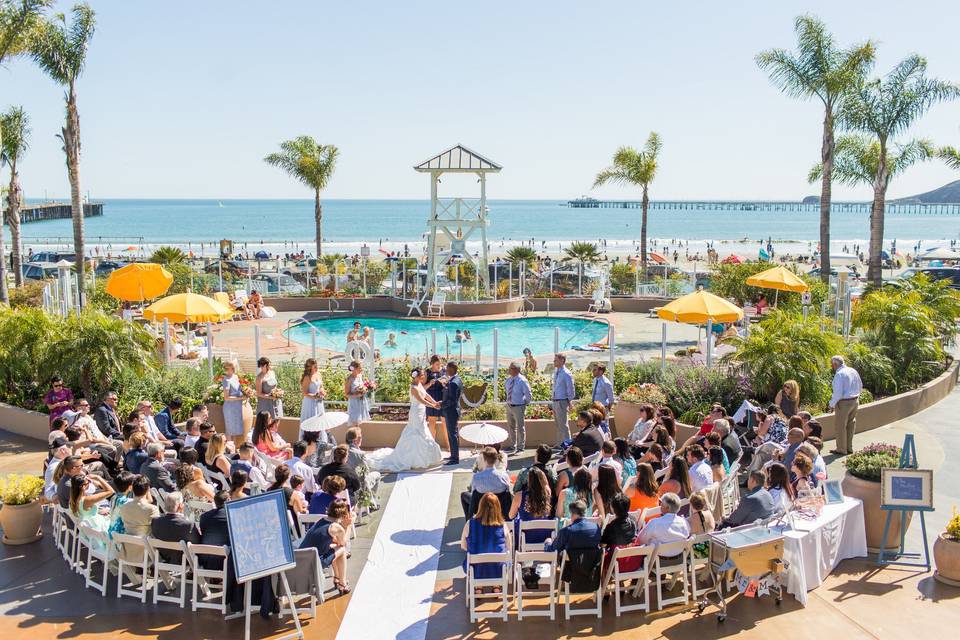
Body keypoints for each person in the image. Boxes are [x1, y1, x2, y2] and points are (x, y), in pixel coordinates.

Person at [366, 368, 443, 472]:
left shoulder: (419, 384)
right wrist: (433, 406)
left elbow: (426, 395)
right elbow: (421, 400)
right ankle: (412, 459)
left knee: (423, 431)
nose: (423, 376)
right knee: (415, 432)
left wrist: (435, 402)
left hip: (421, 412)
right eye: (422, 375)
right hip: (416, 413)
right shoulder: (413, 388)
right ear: (416, 376)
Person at [300, 499, 353, 595]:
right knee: (342, 550)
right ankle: (342, 583)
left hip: (302, 559)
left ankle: (337, 578)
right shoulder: (336, 527)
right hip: (315, 562)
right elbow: (343, 543)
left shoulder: (322, 520)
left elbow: (334, 541)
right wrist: (348, 526)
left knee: (334, 547)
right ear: (344, 515)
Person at [461, 493, 512, 584]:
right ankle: (496, 585)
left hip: (475, 570)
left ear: (480, 506)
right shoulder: (503, 525)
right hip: (499, 569)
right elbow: (509, 547)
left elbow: (464, 546)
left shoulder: (470, 524)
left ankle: (478, 586)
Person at [460, 447, 511, 518]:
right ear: (496, 459)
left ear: (484, 459)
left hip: (481, 508)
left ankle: (468, 522)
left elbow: (473, 493)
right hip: (499, 507)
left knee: (464, 495)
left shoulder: (477, 477)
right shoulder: (504, 476)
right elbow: (508, 492)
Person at [508, 467, 554, 547]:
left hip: (526, 536)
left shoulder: (519, 496)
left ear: (528, 480)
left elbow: (511, 515)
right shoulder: (547, 493)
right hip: (544, 535)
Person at [151, 492, 200, 562]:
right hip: (183, 561)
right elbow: (197, 544)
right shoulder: (188, 525)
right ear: (181, 506)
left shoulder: (155, 522)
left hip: (163, 559)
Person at [829, 355, 862, 456]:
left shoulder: (839, 374)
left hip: (844, 403)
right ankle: (849, 447)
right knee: (851, 424)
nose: (831, 366)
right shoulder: (852, 370)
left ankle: (841, 449)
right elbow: (860, 385)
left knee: (840, 426)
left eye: (832, 364)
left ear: (835, 364)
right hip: (855, 400)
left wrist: (831, 404)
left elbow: (838, 393)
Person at [504, 362, 532, 454]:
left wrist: (524, 403)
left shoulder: (522, 380)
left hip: (518, 406)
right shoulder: (508, 380)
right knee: (511, 426)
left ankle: (520, 447)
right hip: (509, 406)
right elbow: (507, 391)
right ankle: (512, 445)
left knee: (520, 427)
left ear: (517, 370)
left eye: (511, 368)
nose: (509, 369)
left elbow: (528, 394)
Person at [220, 361, 248, 446]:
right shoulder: (226, 380)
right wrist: (241, 398)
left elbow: (238, 390)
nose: (234, 369)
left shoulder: (235, 377)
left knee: (235, 430)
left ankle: (235, 448)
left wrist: (246, 392)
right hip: (230, 407)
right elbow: (226, 397)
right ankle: (230, 450)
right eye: (232, 367)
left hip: (237, 406)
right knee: (229, 430)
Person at [440, 361, 463, 465]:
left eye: (447, 369)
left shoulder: (454, 383)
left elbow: (452, 400)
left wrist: (441, 405)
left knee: (452, 435)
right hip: (453, 410)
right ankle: (453, 455)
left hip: (451, 411)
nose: (446, 370)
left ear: (452, 369)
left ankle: (455, 458)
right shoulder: (456, 379)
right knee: (452, 434)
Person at [199, 491, 231, 560]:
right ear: (228, 500)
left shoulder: (204, 517)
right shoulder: (231, 516)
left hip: (207, 560)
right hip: (227, 560)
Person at [551, 354, 575, 443]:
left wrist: (569, 401)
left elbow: (570, 389)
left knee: (564, 425)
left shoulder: (566, 373)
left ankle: (567, 446)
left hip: (562, 401)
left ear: (562, 361)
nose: (554, 362)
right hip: (555, 401)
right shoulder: (556, 372)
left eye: (556, 360)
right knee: (558, 425)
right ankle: (560, 444)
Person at [299, 358, 327, 436]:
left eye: (317, 365)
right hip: (309, 403)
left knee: (320, 421)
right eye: (315, 366)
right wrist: (314, 396)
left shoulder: (318, 374)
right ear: (310, 367)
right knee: (311, 420)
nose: (316, 367)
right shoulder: (307, 377)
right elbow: (304, 393)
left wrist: (322, 392)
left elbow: (321, 386)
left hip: (318, 402)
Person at [422, 356, 446, 442]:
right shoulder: (427, 373)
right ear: (432, 364)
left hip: (442, 398)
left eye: (440, 364)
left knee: (445, 422)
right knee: (432, 422)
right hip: (431, 398)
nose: (439, 366)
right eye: (437, 364)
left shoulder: (443, 371)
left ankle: (449, 446)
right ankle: (432, 446)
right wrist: (429, 383)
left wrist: (444, 384)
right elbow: (421, 388)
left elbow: (448, 385)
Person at [345, 360, 371, 426]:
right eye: (360, 368)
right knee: (355, 423)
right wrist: (357, 394)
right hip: (354, 404)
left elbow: (363, 386)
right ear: (354, 369)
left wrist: (365, 389)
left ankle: (358, 435)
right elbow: (346, 394)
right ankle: (355, 435)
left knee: (359, 422)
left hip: (361, 402)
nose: (361, 369)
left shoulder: (360, 376)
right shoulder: (349, 379)